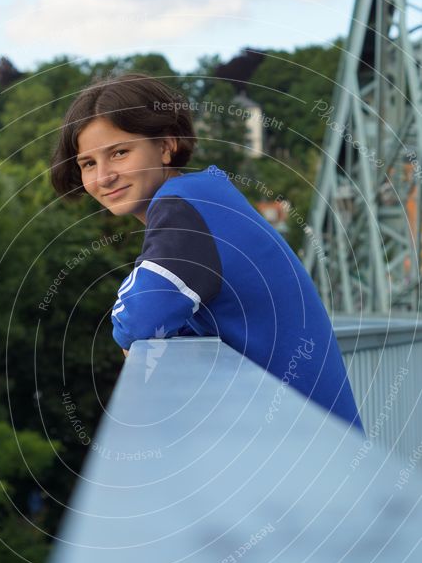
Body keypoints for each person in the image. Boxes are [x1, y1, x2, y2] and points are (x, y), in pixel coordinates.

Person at [51, 73, 364, 432]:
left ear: (166, 145)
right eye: (88, 163)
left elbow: (142, 315)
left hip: (305, 452)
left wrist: (127, 330)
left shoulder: (182, 204)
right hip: (321, 442)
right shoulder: (206, 196)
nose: (104, 176)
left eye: (119, 153)